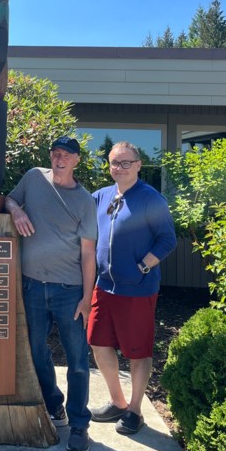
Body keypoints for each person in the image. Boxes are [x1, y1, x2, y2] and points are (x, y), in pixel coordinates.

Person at [5, 136, 98, 451]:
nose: (59, 159)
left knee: (77, 361)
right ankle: (53, 403)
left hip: (69, 292)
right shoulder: (33, 177)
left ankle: (79, 425)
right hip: (31, 285)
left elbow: (88, 254)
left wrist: (87, 298)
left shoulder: (85, 201)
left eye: (66, 155)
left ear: (76, 161)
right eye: (55, 154)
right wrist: (17, 210)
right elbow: (8, 199)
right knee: (34, 349)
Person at [86, 141, 177, 435]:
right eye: (115, 162)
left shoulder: (151, 199)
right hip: (104, 288)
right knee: (99, 343)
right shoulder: (100, 197)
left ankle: (135, 410)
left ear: (139, 165)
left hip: (137, 290)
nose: (120, 168)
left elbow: (167, 240)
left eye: (126, 162)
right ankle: (118, 401)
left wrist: (141, 268)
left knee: (138, 352)